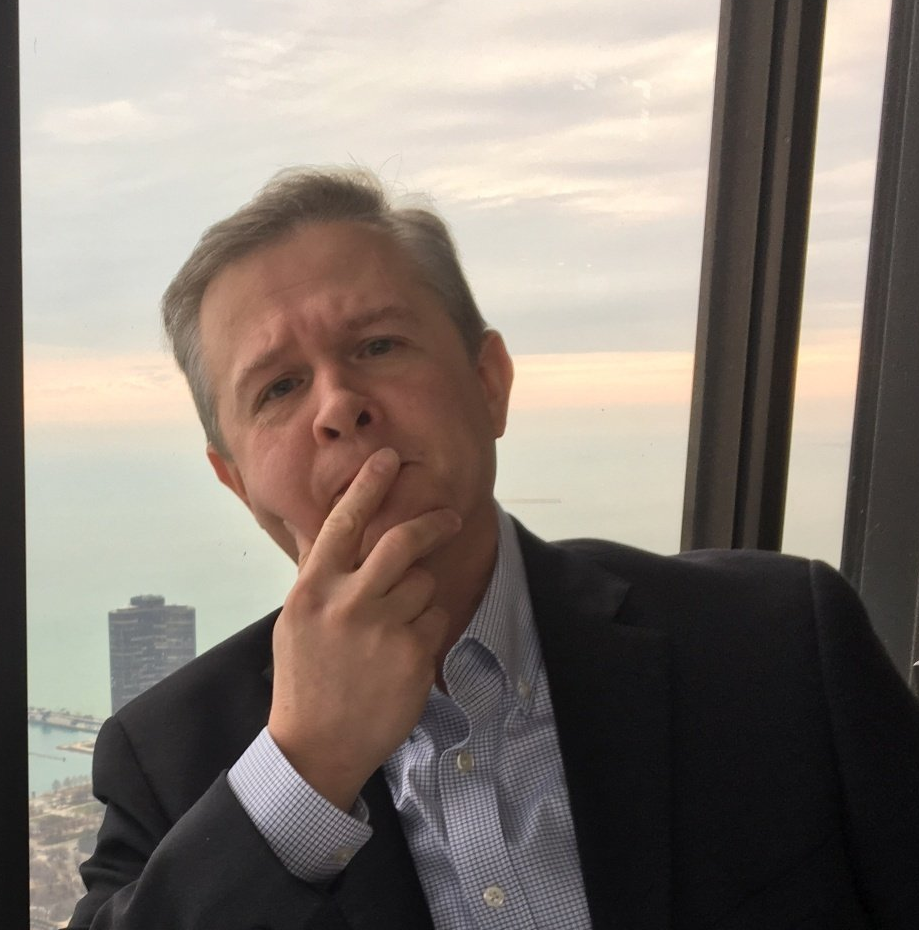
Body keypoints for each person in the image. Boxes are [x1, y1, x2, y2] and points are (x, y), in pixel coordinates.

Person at [69, 167, 919, 930]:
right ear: (234, 479)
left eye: (377, 345)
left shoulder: (778, 645)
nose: (339, 405)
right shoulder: (168, 764)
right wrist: (304, 767)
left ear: (489, 384)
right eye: (280, 387)